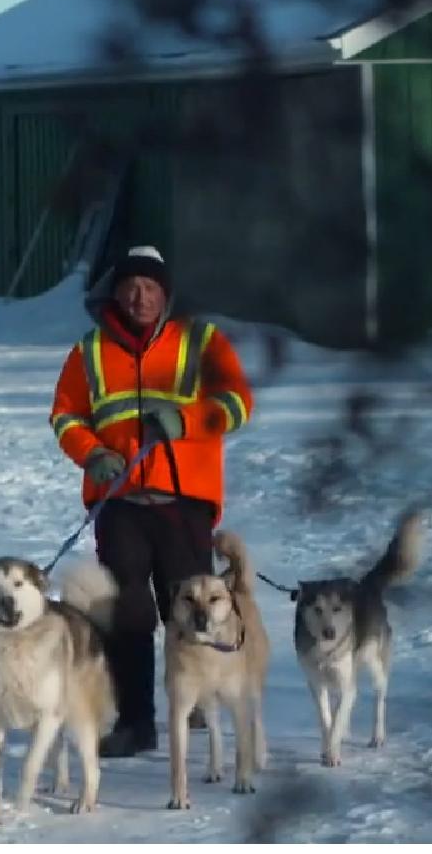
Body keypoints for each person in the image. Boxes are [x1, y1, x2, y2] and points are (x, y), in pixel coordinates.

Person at [50, 245, 255, 757]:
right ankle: (135, 722)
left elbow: (237, 403)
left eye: (149, 287)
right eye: (130, 287)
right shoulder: (90, 352)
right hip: (120, 502)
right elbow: (65, 416)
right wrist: (92, 453)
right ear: (115, 292)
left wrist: (184, 420)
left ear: (166, 293)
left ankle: (202, 702)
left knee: (187, 607)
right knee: (127, 612)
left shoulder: (201, 341)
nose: (139, 296)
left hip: (184, 498)